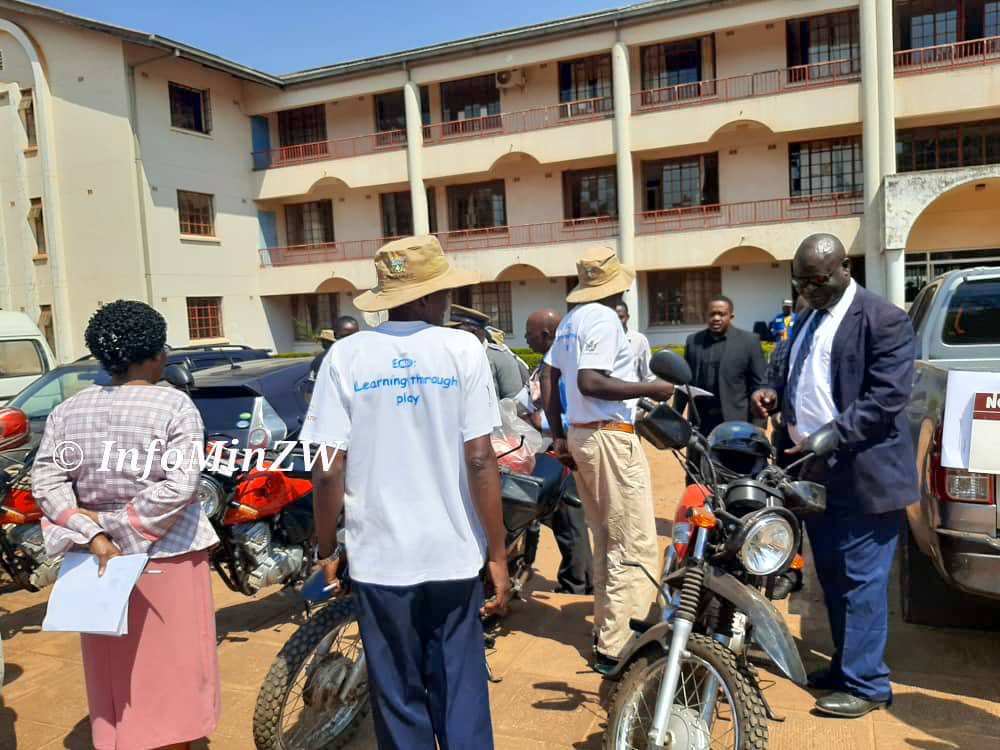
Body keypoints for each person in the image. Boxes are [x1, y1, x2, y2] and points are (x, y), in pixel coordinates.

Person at [303, 235, 510, 749]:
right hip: (453, 555)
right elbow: (481, 457)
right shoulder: (462, 348)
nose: (447, 302)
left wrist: (326, 549)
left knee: (396, 691)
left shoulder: (346, 356)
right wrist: (498, 553)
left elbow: (327, 470)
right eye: (442, 292)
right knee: (459, 685)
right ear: (425, 297)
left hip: (379, 560)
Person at [32, 300, 220, 750]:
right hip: (167, 556)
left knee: (115, 672)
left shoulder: (69, 410)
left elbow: (46, 480)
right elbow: (181, 485)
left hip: (96, 563)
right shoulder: (175, 406)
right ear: (155, 354)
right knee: (173, 671)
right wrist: (122, 524)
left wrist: (93, 532)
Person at [751, 233, 918, 718]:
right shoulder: (805, 317)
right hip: (813, 469)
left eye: (817, 281)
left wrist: (833, 433)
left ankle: (868, 685)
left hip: (864, 472)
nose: (808, 291)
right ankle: (848, 665)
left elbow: (887, 398)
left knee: (863, 581)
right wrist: (770, 392)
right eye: (800, 282)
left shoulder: (884, 319)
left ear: (845, 267)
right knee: (834, 577)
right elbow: (787, 370)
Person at [542, 246, 675, 674]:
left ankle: (608, 630)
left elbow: (549, 378)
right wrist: (649, 389)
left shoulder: (569, 322)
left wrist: (560, 434)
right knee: (633, 541)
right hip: (608, 437)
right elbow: (590, 381)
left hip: (584, 436)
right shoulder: (600, 317)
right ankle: (621, 644)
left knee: (608, 539)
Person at [516, 309, 593, 595]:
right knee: (565, 521)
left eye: (530, 334)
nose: (525, 338)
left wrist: (542, 422)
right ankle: (579, 579)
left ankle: (579, 584)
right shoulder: (548, 364)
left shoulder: (567, 368)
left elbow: (578, 413)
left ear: (547, 336)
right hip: (551, 451)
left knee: (569, 520)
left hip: (564, 453)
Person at [674, 295, 767, 436]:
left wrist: (759, 425)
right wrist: (675, 417)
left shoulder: (749, 342)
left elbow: (759, 384)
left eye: (721, 314)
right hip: (700, 423)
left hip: (737, 422)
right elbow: (684, 383)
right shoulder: (694, 341)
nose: (716, 318)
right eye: (712, 314)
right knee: (700, 458)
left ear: (731, 316)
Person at [449, 304, 527, 399]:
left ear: (474, 332)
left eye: (456, 331)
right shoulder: (452, 357)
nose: (451, 335)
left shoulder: (499, 357)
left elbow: (514, 401)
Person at [614, 301, 655, 382]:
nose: (617, 321)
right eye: (614, 318)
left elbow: (649, 375)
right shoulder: (604, 341)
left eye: (621, 317)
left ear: (627, 317)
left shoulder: (639, 340)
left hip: (633, 392)